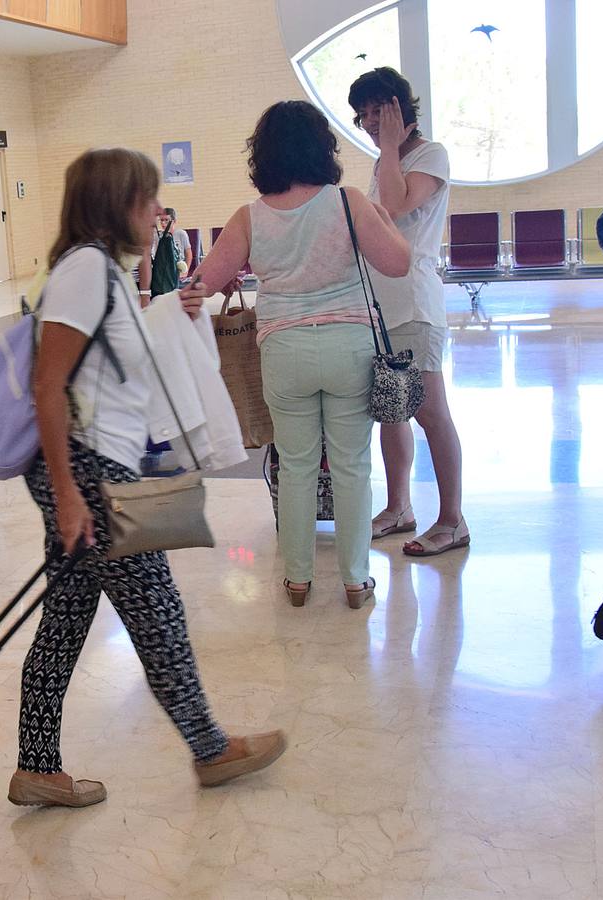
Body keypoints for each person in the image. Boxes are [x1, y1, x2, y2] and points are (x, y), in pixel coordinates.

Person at [7, 147, 285, 810]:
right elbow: (48, 384)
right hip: (88, 471)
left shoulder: (103, 274)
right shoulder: (83, 273)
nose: (157, 212)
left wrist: (176, 307)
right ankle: (211, 750)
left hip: (93, 466)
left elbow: (113, 362)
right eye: (146, 200)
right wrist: (71, 495)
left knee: (66, 620)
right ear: (114, 206)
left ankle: (35, 767)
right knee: (156, 611)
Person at [190, 100, 411, 609]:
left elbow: (201, 285)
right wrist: (379, 216)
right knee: (352, 463)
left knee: (295, 465)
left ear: (262, 155)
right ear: (323, 147)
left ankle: (297, 579)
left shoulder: (249, 217)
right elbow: (397, 263)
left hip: (283, 350)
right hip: (348, 347)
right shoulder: (349, 201)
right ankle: (356, 581)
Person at [349, 67, 468, 557]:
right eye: (363, 115)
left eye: (378, 110)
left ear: (400, 107)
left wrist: (389, 149)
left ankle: (453, 520)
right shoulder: (385, 163)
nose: (371, 121)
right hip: (380, 306)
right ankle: (399, 506)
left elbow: (395, 208)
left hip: (415, 303)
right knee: (390, 409)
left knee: (429, 411)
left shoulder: (428, 155)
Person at [139, 207, 186, 300]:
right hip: (161, 271)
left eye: (166, 220)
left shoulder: (181, 234)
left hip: (176, 270)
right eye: (161, 220)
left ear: (174, 221)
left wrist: (185, 271)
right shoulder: (157, 236)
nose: (163, 223)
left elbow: (189, 253)